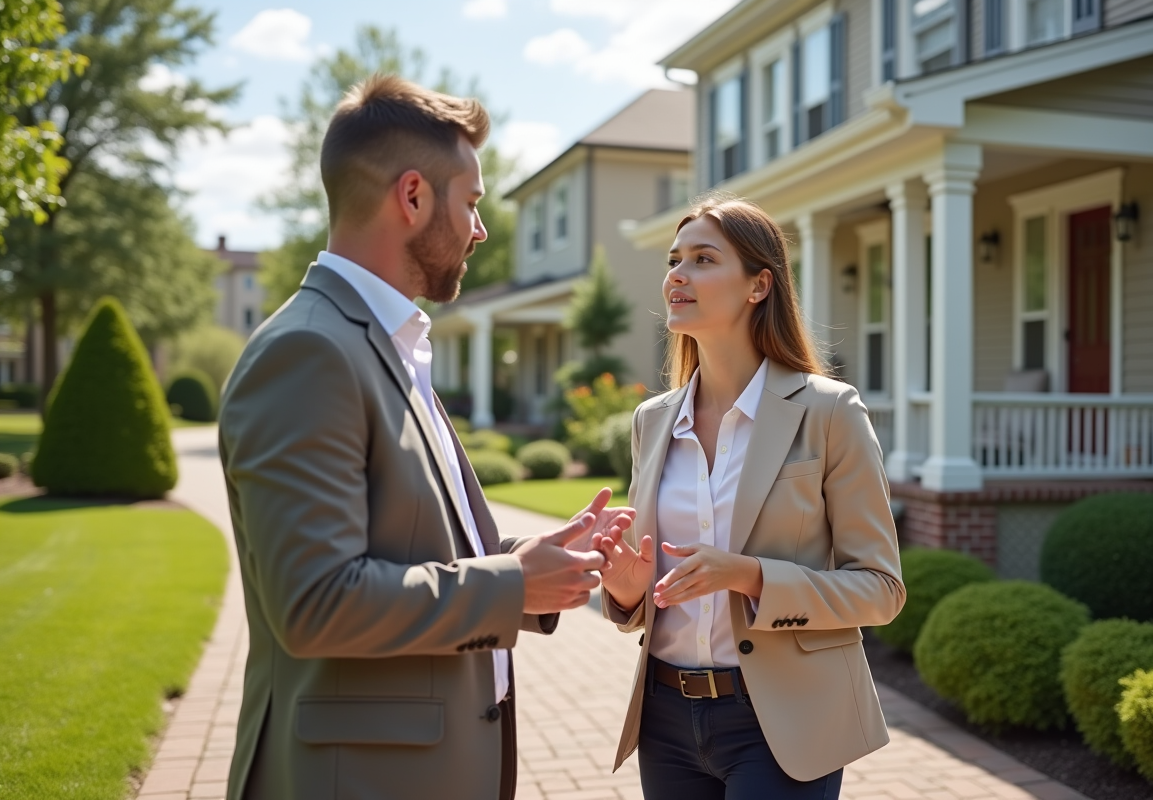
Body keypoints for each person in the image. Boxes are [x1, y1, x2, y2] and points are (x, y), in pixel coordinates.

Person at [218, 74, 633, 800]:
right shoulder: (309, 353)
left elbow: (410, 553)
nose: (480, 229)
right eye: (471, 203)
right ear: (412, 197)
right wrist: (509, 584)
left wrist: (534, 570)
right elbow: (315, 602)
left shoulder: (387, 343)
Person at [593, 197, 906, 800]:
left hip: (783, 720)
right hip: (664, 717)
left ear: (759, 285)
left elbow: (882, 589)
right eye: (673, 259)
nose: (676, 275)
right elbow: (646, 594)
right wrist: (629, 588)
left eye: (703, 259)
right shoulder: (652, 420)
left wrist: (752, 577)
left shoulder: (828, 412)